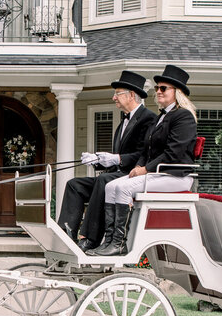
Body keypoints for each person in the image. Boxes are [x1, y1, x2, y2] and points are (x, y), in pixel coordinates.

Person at [89, 64, 197, 257]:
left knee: (122, 188)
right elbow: (147, 149)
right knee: (110, 186)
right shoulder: (160, 118)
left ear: (177, 92)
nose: (158, 91)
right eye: (157, 88)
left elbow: (173, 153)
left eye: (163, 88)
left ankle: (119, 244)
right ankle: (110, 240)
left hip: (175, 175)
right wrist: (139, 164)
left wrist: (145, 169)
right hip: (158, 172)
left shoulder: (183, 117)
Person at [57, 71, 155, 251]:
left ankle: (90, 239)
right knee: (74, 184)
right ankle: (65, 233)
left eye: (117, 93)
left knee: (102, 181)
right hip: (116, 174)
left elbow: (144, 154)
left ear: (132, 95)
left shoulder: (148, 119)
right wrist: (97, 160)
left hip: (132, 175)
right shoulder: (123, 122)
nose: (113, 98)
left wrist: (116, 158)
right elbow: (117, 157)